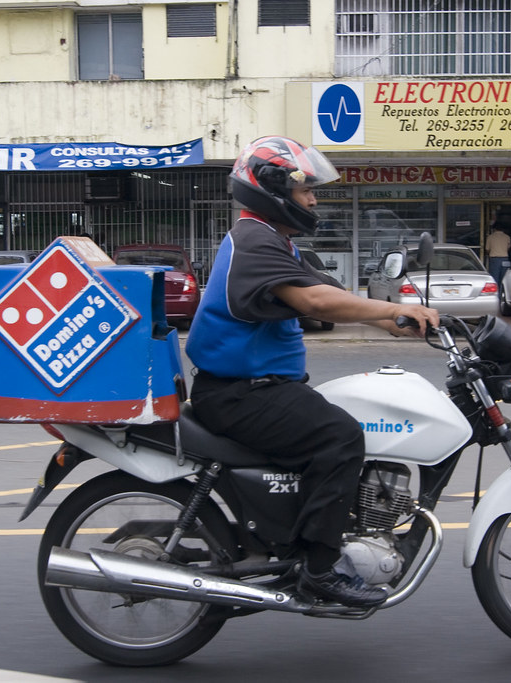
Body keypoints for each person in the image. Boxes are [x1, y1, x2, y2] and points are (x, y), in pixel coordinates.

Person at [185, 136, 438, 607]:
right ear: (273, 190)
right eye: (307, 191)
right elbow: (315, 301)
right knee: (340, 437)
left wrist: (394, 319)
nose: (314, 199)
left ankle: (305, 540)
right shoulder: (254, 239)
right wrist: (386, 310)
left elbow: (324, 291)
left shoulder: (271, 241)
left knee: (339, 421)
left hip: (253, 389)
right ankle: (319, 569)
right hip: (241, 394)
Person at [485, 223, 511, 290]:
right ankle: (502, 295)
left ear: (494, 229)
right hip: (505, 259)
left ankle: (496, 295)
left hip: (494, 259)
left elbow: (487, 249)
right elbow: (508, 248)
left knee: (495, 278)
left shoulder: (490, 237)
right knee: (504, 279)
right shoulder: (507, 237)